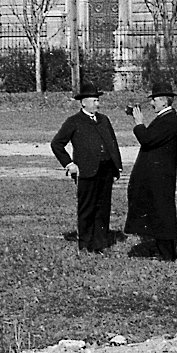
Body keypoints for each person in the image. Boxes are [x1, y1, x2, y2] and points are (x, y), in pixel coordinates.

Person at [50, 80, 122, 253]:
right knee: (87, 208)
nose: (97, 104)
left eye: (98, 100)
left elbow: (112, 143)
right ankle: (85, 244)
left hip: (105, 170)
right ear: (83, 102)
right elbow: (57, 144)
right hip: (86, 171)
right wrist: (69, 164)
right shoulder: (74, 121)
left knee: (103, 207)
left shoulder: (104, 120)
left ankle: (100, 243)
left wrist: (116, 166)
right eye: (94, 100)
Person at [121, 82, 177, 261]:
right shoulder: (165, 118)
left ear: (163, 101)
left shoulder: (169, 120)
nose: (151, 103)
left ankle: (167, 254)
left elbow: (146, 140)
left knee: (163, 212)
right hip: (158, 174)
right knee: (158, 211)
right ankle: (163, 250)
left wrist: (139, 123)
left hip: (160, 175)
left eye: (154, 100)